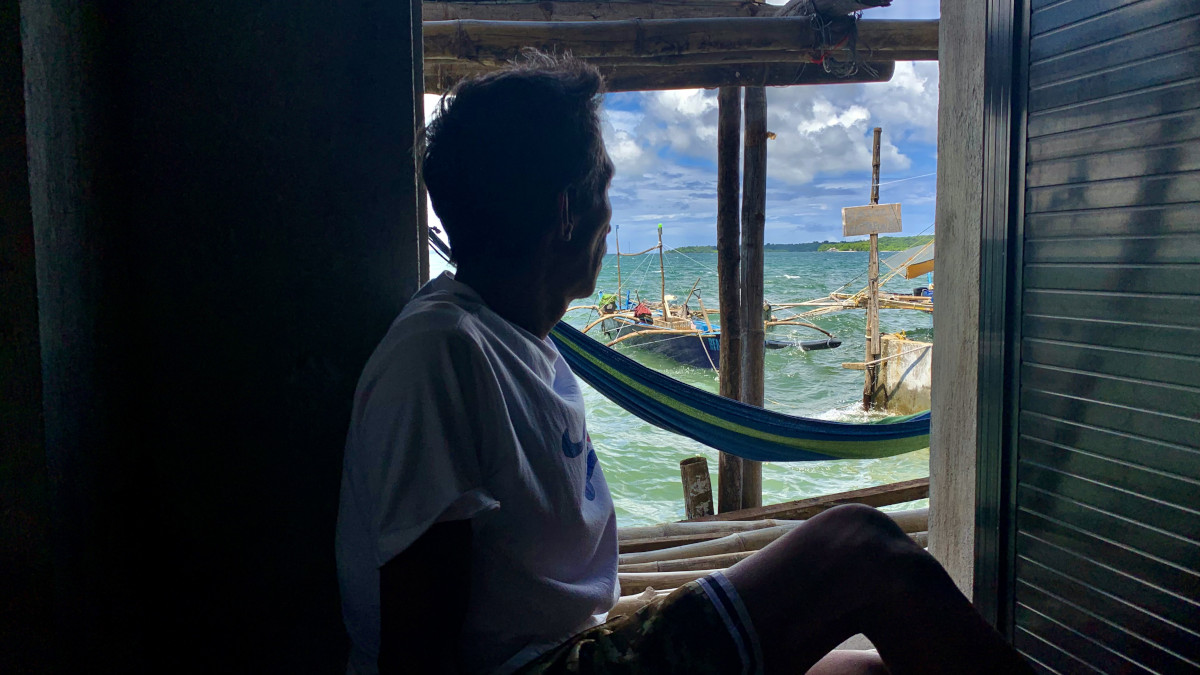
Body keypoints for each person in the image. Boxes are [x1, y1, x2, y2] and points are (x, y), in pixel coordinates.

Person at [335, 54, 1034, 675]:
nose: (614, 213)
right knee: (861, 547)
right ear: (566, 212)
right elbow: (416, 652)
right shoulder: (440, 357)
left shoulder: (516, 337)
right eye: (604, 185)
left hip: (583, 643)